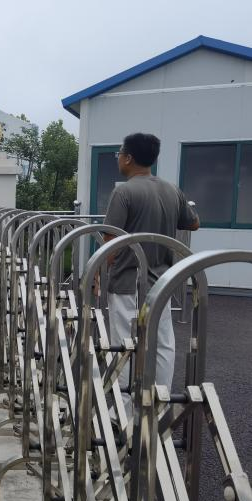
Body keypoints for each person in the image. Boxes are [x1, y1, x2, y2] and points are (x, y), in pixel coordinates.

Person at [102, 133, 199, 415]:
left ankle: (124, 411)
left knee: (124, 344)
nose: (119, 158)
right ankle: (158, 404)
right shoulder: (171, 190)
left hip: (127, 280)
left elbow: (111, 242)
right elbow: (194, 223)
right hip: (161, 282)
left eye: (119, 154)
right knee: (162, 343)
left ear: (129, 158)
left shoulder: (124, 192)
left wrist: (98, 276)